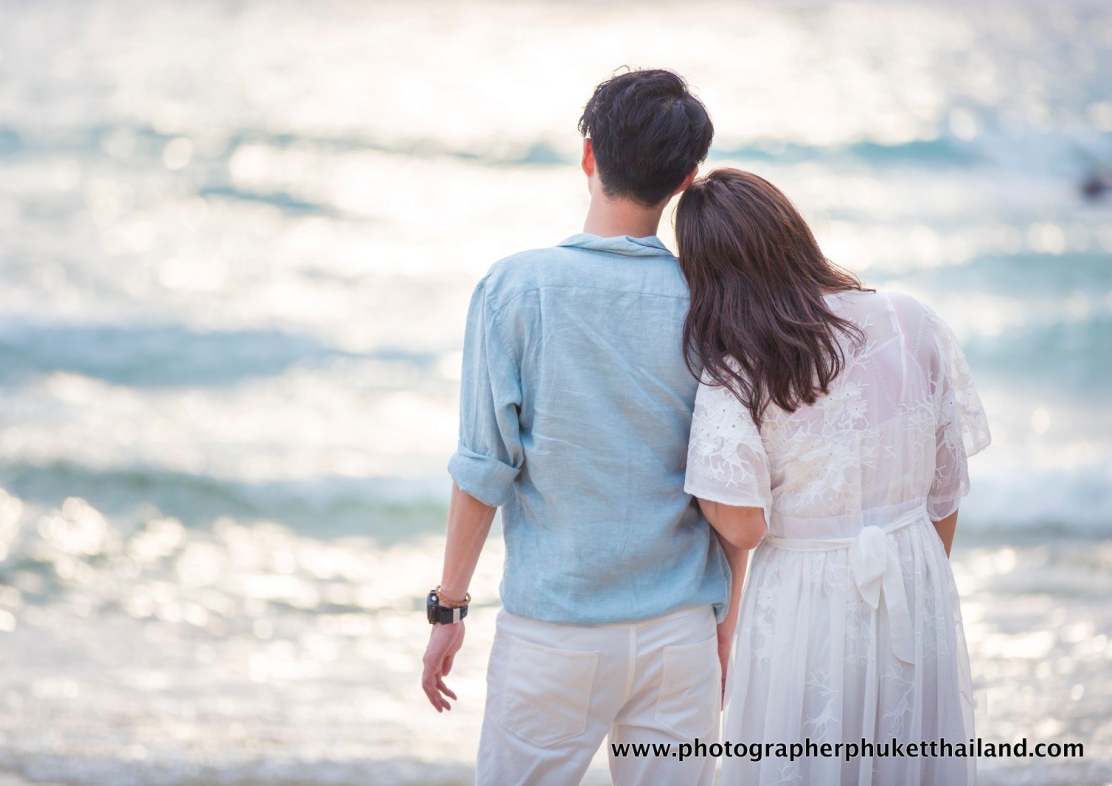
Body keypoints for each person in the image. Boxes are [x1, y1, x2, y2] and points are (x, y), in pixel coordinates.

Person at [420, 69, 757, 786]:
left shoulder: (516, 288)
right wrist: (725, 626)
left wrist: (448, 607)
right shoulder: (711, 302)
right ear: (686, 177)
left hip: (554, 635)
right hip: (680, 635)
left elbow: (485, 467)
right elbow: (730, 481)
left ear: (589, 156)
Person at [675, 168, 991, 785]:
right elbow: (945, 489)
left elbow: (742, 524)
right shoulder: (909, 319)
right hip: (914, 579)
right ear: (792, 233)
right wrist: (914, 570)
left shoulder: (737, 365)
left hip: (806, 599)